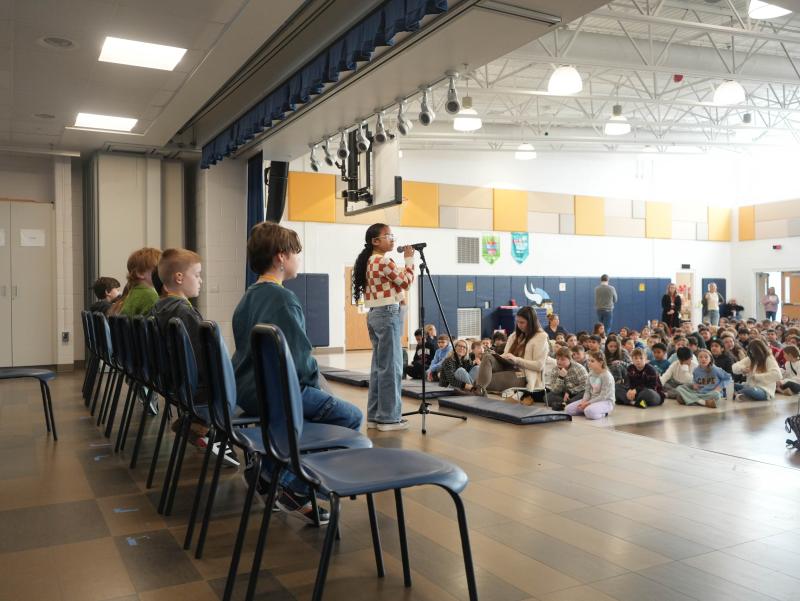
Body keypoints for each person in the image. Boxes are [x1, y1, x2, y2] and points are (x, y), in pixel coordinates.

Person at [233, 222, 362, 523]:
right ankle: (295, 488)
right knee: (350, 417)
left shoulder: (247, 298)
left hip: (250, 391)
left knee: (311, 412)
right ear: (281, 257)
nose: (298, 260)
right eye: (296, 254)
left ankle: (267, 474)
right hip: (278, 394)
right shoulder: (283, 299)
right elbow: (300, 362)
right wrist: (317, 387)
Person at [352, 222, 414, 430]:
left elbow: (393, 287)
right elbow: (406, 282)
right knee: (392, 368)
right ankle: (388, 418)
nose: (392, 239)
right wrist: (409, 259)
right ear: (375, 241)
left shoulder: (369, 261)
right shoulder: (384, 261)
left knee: (379, 367)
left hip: (375, 314)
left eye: (392, 235)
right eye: (388, 236)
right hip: (387, 314)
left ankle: (375, 416)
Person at [149, 248, 210, 447]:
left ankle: (198, 425)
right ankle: (202, 426)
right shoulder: (186, 313)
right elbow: (202, 361)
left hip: (172, 384)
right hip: (195, 390)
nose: (201, 280)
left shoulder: (157, 308)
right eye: (197, 275)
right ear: (179, 277)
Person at [475, 306, 549, 401]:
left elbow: (539, 366)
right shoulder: (514, 336)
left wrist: (516, 360)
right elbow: (506, 355)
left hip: (523, 374)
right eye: (517, 322)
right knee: (488, 356)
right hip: (507, 366)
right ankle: (479, 392)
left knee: (478, 383)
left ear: (531, 322)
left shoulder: (541, 337)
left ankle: (478, 392)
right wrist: (497, 356)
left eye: (522, 322)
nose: (519, 325)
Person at [565, 351, 614, 420]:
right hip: (591, 399)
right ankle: (588, 410)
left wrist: (588, 403)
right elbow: (587, 391)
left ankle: (605, 413)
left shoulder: (606, 376)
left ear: (601, 362)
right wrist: (583, 401)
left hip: (605, 401)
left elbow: (603, 396)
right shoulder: (591, 373)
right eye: (589, 360)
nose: (589, 363)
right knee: (568, 410)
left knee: (589, 412)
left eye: (592, 361)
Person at [120, 247, 161, 317]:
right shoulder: (150, 296)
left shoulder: (133, 293)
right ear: (140, 273)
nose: (162, 273)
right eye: (158, 269)